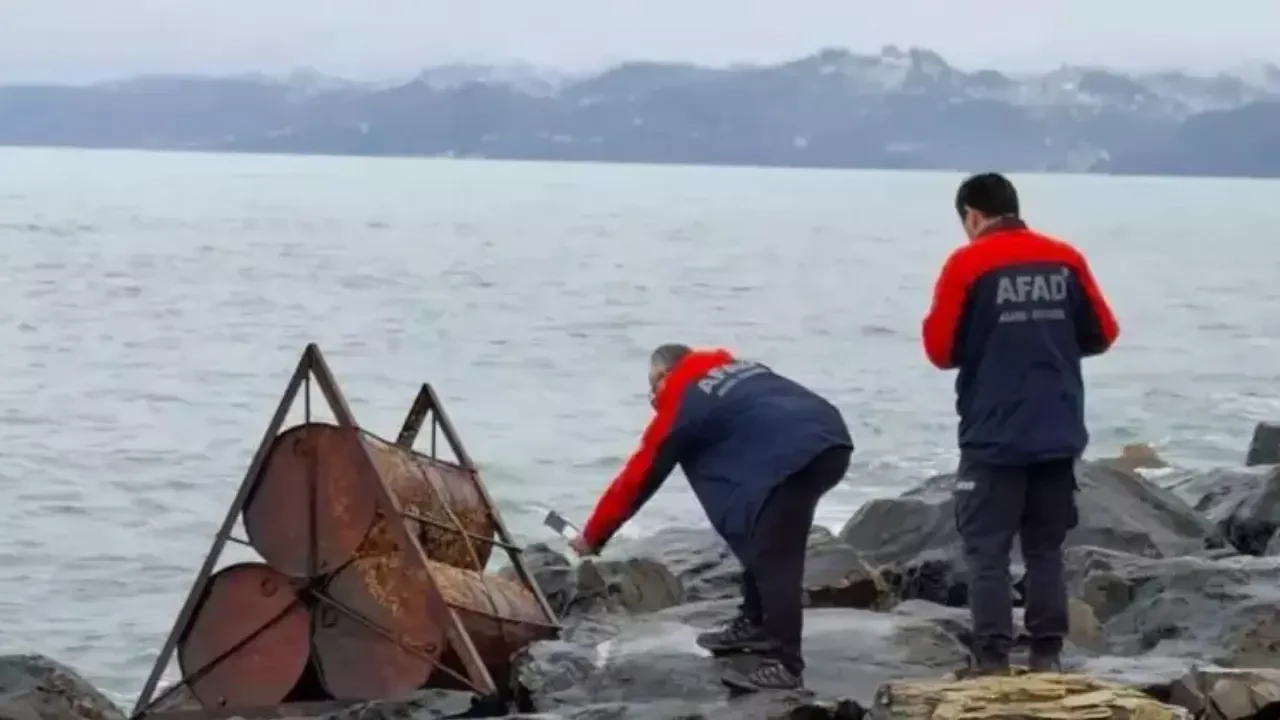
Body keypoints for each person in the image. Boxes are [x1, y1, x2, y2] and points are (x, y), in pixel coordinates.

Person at [921, 173, 1119, 674]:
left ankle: (992, 660)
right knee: (1045, 547)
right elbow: (1103, 333)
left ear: (972, 214)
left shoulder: (967, 263)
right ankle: (1047, 655)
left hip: (994, 435)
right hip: (1057, 428)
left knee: (987, 550)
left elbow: (940, 350)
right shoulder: (1065, 258)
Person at [568, 344, 853, 692]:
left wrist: (593, 537)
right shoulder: (739, 369)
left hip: (793, 454)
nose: (652, 398)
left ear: (664, 375)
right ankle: (756, 625)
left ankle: (784, 665)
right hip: (828, 437)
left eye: (651, 386)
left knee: (776, 558)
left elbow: (638, 478)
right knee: (759, 529)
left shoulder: (683, 399)